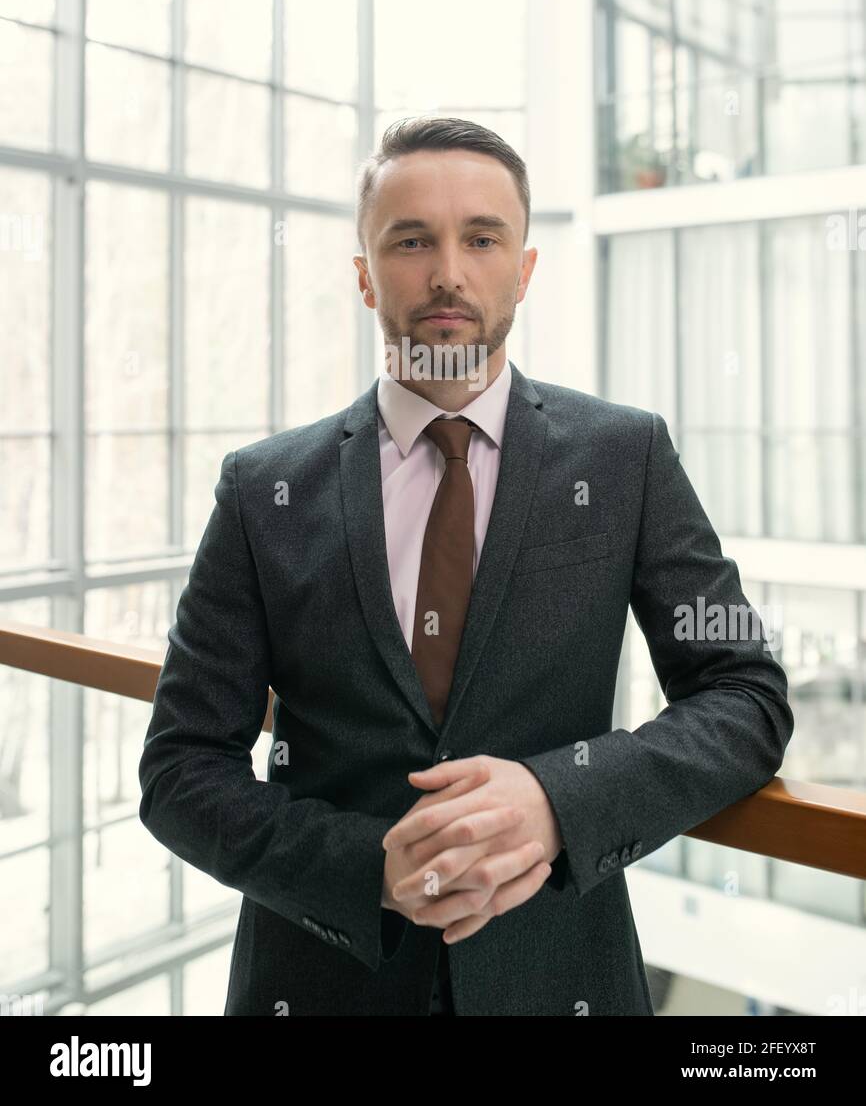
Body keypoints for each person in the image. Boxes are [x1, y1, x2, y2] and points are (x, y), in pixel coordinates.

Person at [138, 116, 794, 1016]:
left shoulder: (624, 458)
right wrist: (370, 868)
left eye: (481, 238)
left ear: (523, 269)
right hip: (324, 984)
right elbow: (180, 771)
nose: (448, 272)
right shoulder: (263, 491)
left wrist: (557, 799)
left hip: (561, 978)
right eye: (412, 241)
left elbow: (745, 698)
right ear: (365, 274)